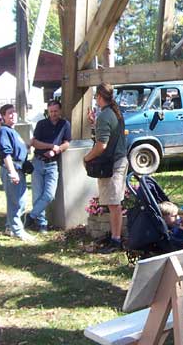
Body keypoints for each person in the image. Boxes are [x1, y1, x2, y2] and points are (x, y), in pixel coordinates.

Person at [84, 82, 128, 254]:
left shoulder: (105, 115)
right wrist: (95, 124)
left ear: (100, 97)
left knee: (114, 204)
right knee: (113, 203)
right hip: (119, 160)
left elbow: (101, 146)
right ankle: (114, 237)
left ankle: (116, 240)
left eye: (96, 96)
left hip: (113, 163)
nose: (95, 99)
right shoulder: (113, 113)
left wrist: (86, 157)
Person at [24, 100, 71, 234]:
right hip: (38, 162)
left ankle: (31, 216)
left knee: (49, 195)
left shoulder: (65, 124)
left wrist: (56, 150)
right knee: (37, 196)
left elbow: (67, 142)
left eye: (56, 111)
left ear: (60, 111)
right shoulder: (41, 124)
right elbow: (34, 143)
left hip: (52, 164)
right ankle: (42, 224)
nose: (53, 114)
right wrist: (50, 146)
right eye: (51, 111)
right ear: (48, 111)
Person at [0, 104, 34, 241]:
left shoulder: (13, 131)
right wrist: (12, 172)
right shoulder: (3, 132)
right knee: (16, 201)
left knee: (20, 201)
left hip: (20, 169)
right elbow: (6, 154)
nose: (13, 115)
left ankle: (10, 227)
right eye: (9, 113)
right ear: (3, 117)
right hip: (12, 169)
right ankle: (18, 231)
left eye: (14, 112)